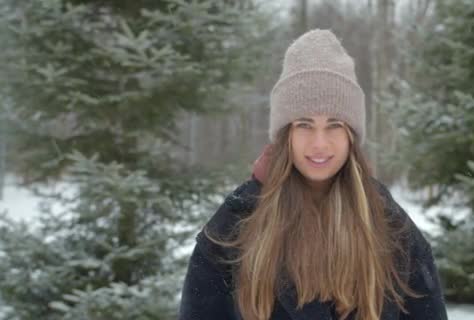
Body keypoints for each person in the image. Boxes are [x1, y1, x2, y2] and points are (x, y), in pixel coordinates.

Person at [178, 29, 448, 320]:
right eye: (304, 125)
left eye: (334, 125)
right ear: (286, 135)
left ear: (351, 136)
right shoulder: (235, 225)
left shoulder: (390, 225)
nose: (319, 143)